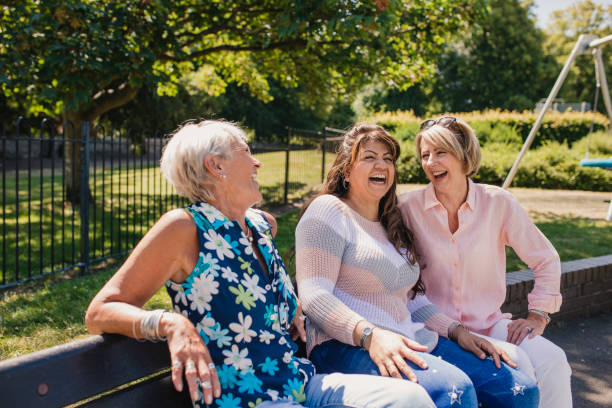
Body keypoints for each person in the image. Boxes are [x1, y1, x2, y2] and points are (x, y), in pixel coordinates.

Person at [85, 120, 437, 408]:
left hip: (299, 384)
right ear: (215, 165)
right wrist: (171, 323)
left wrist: (291, 306)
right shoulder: (184, 228)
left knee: (411, 399)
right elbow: (100, 311)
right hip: (245, 398)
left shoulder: (258, 226)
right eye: (247, 153)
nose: (257, 163)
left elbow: (263, 292)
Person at [295, 123, 539, 408]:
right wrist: (369, 335)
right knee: (452, 393)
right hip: (345, 344)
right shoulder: (328, 210)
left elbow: (411, 300)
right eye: (370, 157)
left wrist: (459, 332)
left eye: (388, 159)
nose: (382, 165)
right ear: (346, 171)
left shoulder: (392, 223)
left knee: (518, 388)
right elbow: (314, 295)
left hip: (410, 337)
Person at [398, 116, 572, 408]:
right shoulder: (407, 208)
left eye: (441, 152)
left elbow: (546, 260)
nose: (430, 162)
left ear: (464, 155)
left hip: (490, 325)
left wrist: (538, 316)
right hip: (436, 329)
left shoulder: (498, 203)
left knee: (554, 361)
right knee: (517, 367)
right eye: (425, 155)